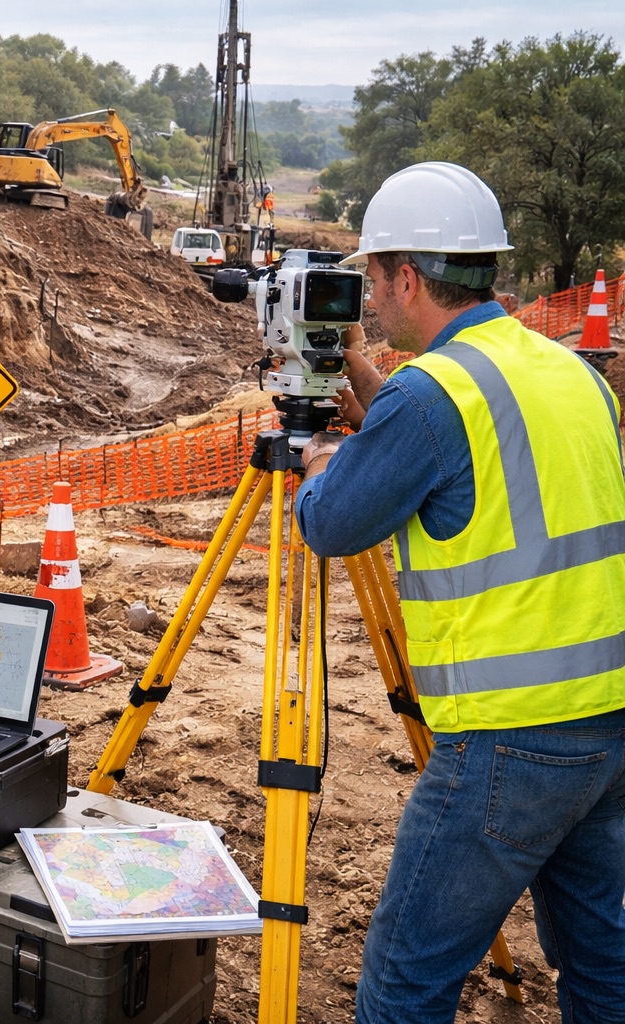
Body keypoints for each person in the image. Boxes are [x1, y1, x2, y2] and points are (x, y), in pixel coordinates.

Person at [295, 162, 625, 1023]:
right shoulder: (572, 373)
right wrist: (371, 383)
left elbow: (331, 525)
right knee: (600, 959)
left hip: (509, 739)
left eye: (371, 275)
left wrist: (314, 466)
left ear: (408, 276)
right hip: (608, 722)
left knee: (408, 976)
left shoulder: (433, 394)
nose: (367, 296)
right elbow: (475, 469)